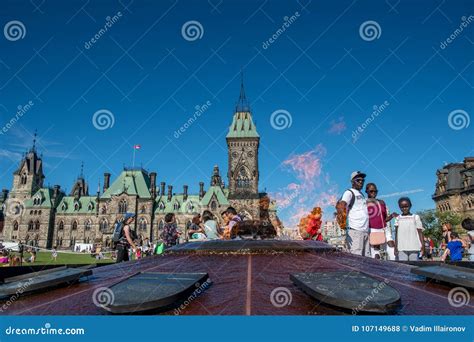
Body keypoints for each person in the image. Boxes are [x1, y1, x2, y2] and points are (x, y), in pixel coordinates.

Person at [337, 171, 370, 257]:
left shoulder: (361, 194)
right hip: (355, 232)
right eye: (358, 180)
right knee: (356, 260)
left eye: (362, 180)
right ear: (352, 181)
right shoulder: (349, 192)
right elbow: (341, 205)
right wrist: (342, 223)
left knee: (366, 260)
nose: (361, 182)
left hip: (365, 231)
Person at [365, 183, 398, 259]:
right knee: (376, 254)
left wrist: (392, 216)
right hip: (372, 230)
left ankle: (395, 266)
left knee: (392, 247)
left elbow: (384, 219)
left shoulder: (382, 202)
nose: (374, 193)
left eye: (375, 191)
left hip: (384, 229)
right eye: (371, 191)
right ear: (366, 191)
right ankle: (376, 268)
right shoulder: (364, 203)